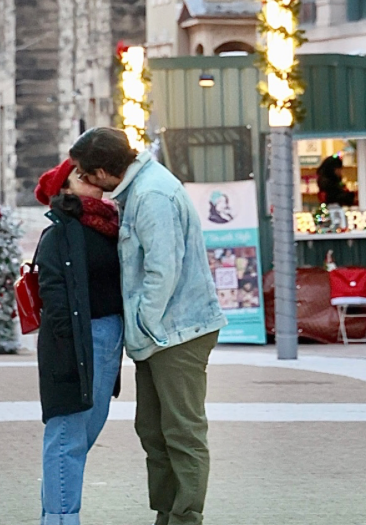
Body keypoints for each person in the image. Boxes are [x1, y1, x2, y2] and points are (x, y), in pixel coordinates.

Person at [70, 127, 225, 525]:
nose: (85, 181)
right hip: (163, 332)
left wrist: (142, 323)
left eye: (85, 174)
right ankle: (166, 513)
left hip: (177, 331)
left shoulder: (152, 195)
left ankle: (184, 517)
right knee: (153, 430)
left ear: (103, 171)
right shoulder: (141, 189)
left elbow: (162, 271)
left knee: (182, 431)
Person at [35, 157, 123, 525]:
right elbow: (53, 290)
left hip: (109, 335)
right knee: (67, 436)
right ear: (65, 187)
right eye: (79, 174)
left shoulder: (109, 224)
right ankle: (60, 519)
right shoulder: (61, 232)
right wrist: (69, 341)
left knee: (84, 432)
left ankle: (55, 514)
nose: (89, 177)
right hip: (79, 339)